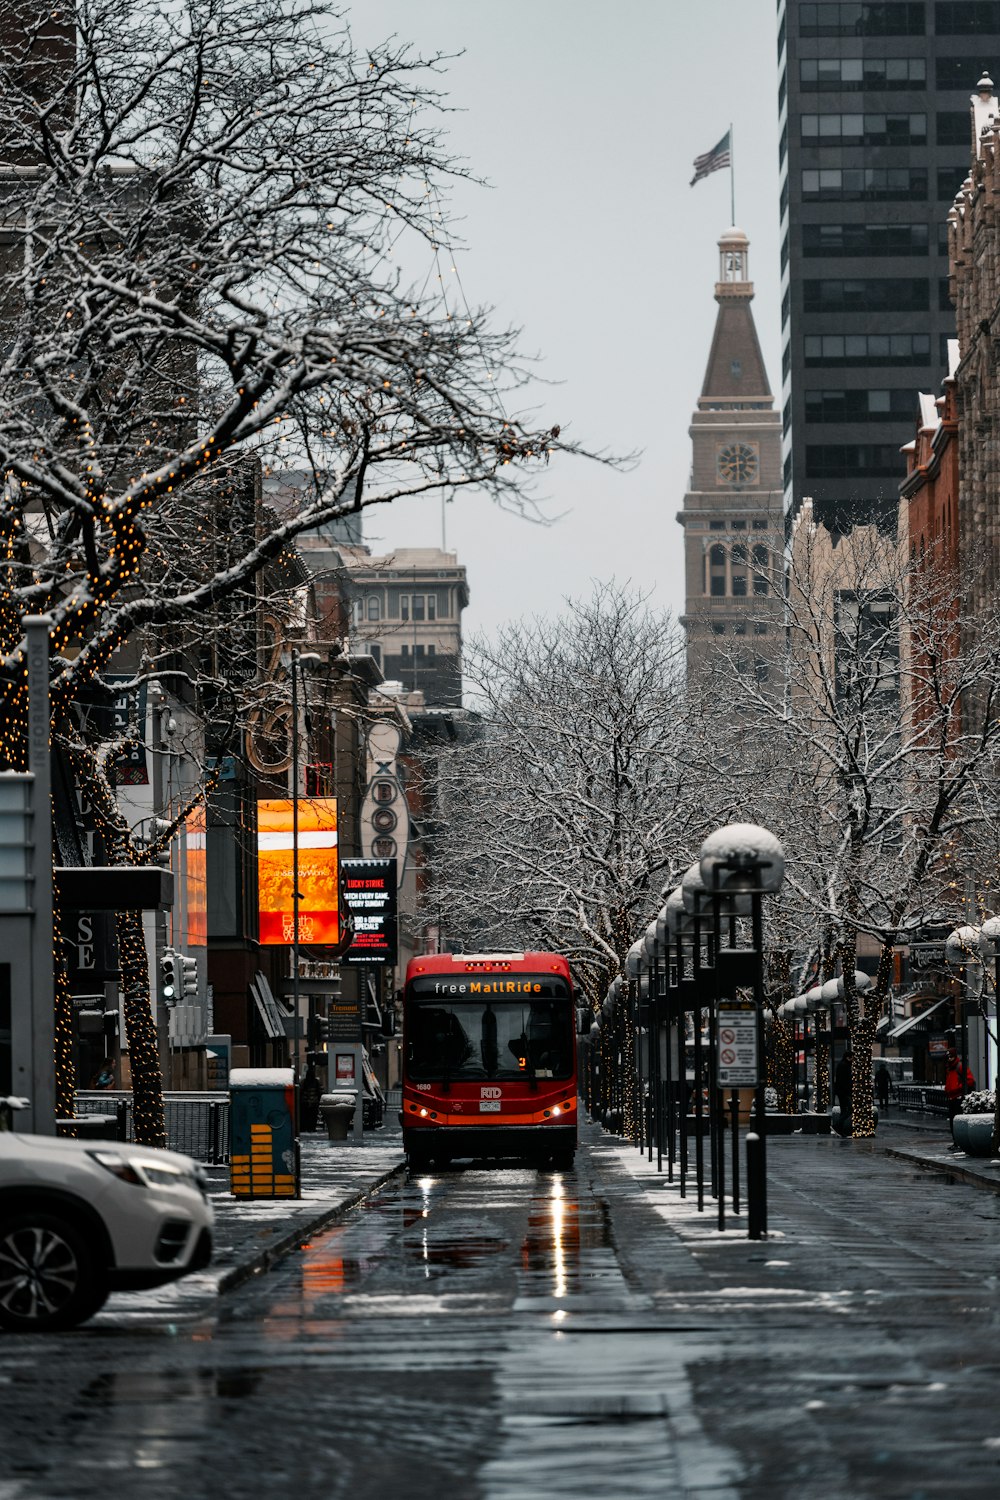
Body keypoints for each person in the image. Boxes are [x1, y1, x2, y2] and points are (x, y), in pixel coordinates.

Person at [944, 1044, 975, 1148]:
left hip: (957, 1097)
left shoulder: (959, 1066)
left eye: (950, 1056)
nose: (949, 1059)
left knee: (956, 1121)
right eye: (948, 1057)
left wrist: (957, 1088)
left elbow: (970, 1081)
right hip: (952, 1097)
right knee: (953, 1122)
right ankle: (956, 1142)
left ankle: (958, 1142)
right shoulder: (951, 1068)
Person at [834, 1047, 853, 1136]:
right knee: (849, 1109)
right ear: (848, 1057)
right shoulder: (845, 1066)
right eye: (852, 1057)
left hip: (841, 1092)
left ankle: (840, 1129)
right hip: (845, 1093)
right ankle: (837, 1126)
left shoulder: (841, 1065)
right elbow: (845, 1080)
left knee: (844, 1110)